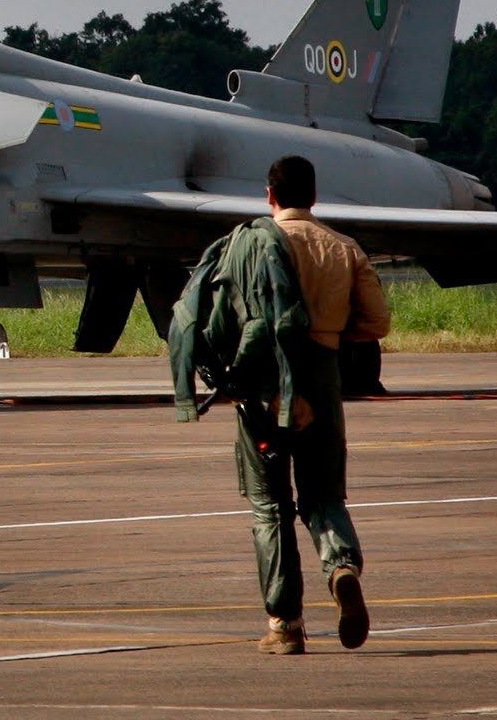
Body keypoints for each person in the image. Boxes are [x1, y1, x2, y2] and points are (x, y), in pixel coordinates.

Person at [171, 154, 391, 655]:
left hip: (260, 386)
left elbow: (219, 319)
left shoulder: (243, 246)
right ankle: (341, 570)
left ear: (269, 195)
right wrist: (330, 334)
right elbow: (377, 323)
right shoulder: (344, 248)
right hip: (324, 378)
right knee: (324, 497)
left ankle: (285, 625)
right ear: (314, 196)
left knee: (270, 506)